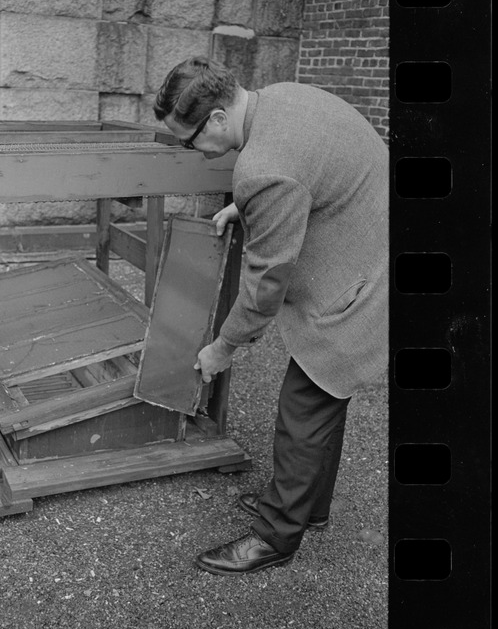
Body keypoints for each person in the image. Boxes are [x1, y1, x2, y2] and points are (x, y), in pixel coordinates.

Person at [153, 56, 388, 576]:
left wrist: (222, 347)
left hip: (359, 285)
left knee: (303, 409)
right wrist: (247, 205)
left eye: (188, 140)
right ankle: (311, 509)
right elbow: (308, 170)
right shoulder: (278, 98)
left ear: (216, 119)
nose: (191, 151)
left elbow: (264, 285)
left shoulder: (263, 169)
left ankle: (276, 536)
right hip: (374, 241)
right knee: (327, 398)